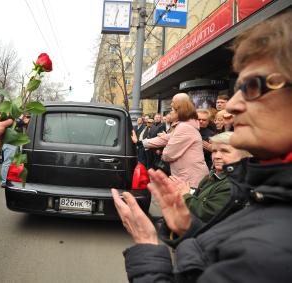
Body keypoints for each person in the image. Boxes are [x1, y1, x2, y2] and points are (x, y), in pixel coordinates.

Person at [112, 9, 292, 282]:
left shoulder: (273, 251)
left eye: (253, 87)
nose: (231, 105)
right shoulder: (265, 193)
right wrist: (189, 228)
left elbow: (169, 150)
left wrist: (148, 248)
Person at [171, 131, 250, 222]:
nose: (217, 156)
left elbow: (207, 213)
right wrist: (188, 191)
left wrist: (185, 195)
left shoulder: (233, 183)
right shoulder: (214, 175)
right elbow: (203, 197)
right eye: (214, 151)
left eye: (225, 151)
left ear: (243, 155)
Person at [140, 93, 208, 187]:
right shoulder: (185, 125)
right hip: (188, 177)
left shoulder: (184, 127)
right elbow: (164, 138)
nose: (170, 113)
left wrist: (162, 153)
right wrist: (141, 143)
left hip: (191, 180)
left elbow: (168, 154)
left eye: (172, 110)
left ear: (180, 111)